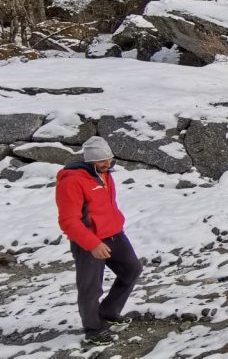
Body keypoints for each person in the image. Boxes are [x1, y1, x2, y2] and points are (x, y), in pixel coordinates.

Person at [55, 136, 143, 347]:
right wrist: (92, 244)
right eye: (102, 160)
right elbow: (68, 221)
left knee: (132, 270)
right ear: (89, 160)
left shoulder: (104, 174)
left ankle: (109, 311)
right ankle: (93, 329)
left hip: (114, 234)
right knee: (90, 288)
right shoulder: (71, 181)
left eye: (109, 159)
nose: (108, 163)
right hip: (89, 241)